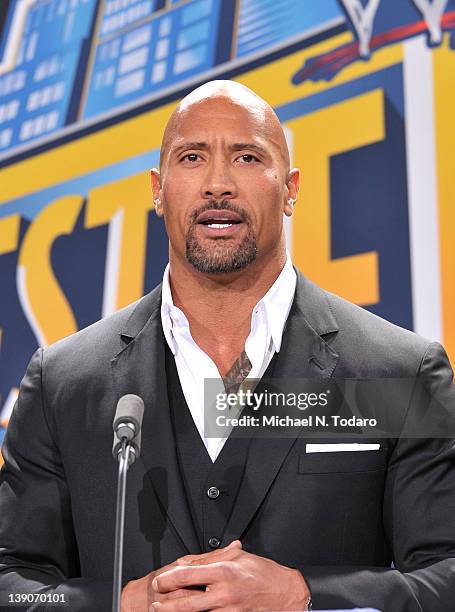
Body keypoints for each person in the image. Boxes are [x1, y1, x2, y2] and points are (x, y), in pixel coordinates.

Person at [0, 80, 454, 612]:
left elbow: (445, 574)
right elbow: (11, 581)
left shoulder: (399, 372)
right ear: (157, 189)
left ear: (290, 188)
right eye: (191, 158)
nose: (218, 184)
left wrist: (303, 596)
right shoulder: (63, 382)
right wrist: (120, 602)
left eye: (246, 156)